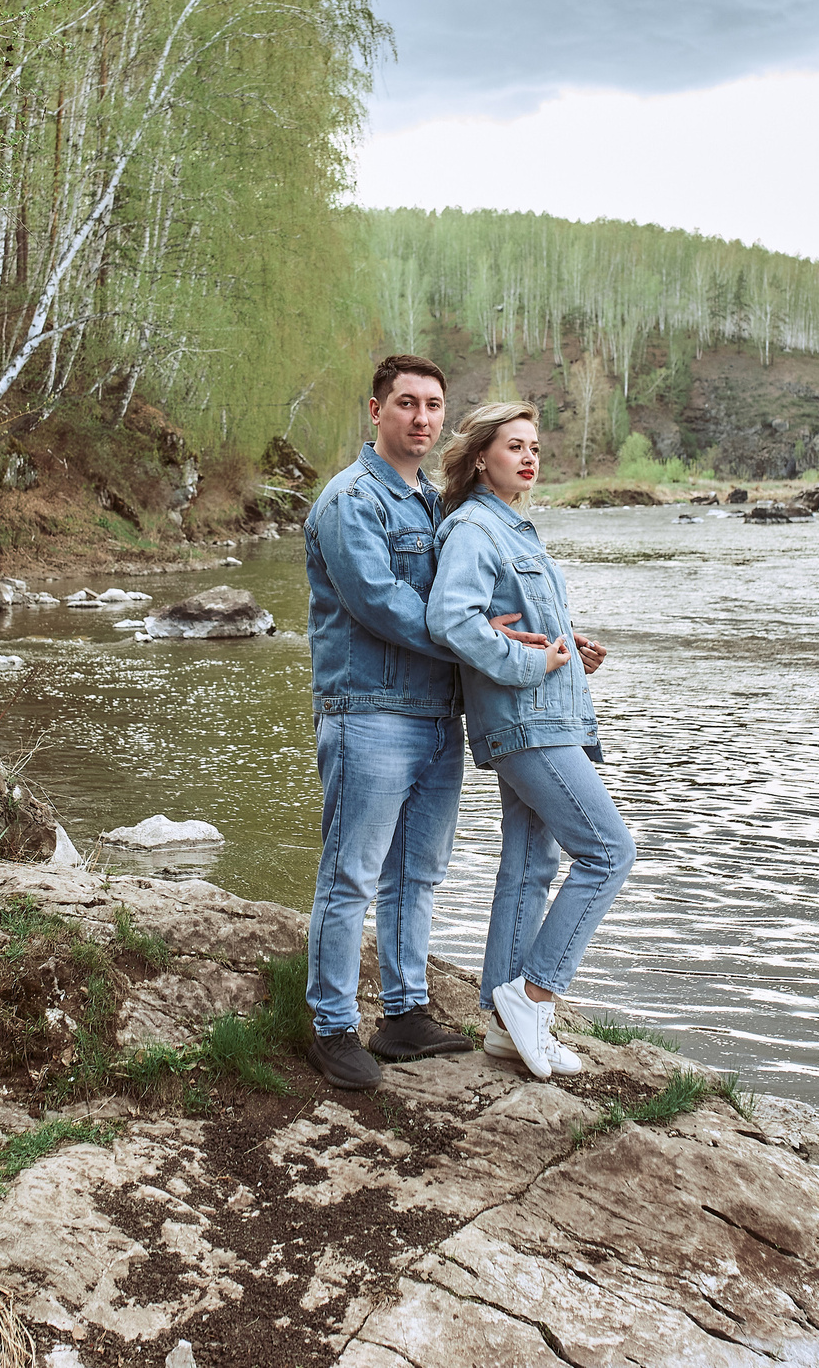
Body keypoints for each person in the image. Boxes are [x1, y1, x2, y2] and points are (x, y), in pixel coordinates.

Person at [301, 355, 548, 1090]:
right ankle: (331, 1023)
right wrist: (473, 636)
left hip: (436, 714)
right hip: (368, 711)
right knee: (350, 873)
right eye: (406, 403)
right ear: (374, 411)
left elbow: (475, 598)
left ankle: (404, 1014)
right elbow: (381, 602)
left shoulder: (434, 506)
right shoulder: (352, 500)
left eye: (433, 405)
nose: (421, 417)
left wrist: (532, 637)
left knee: (418, 874)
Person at [426, 400, 632, 1081]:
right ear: (481, 456)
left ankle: (506, 1029)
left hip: (541, 715)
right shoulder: (476, 529)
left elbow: (515, 621)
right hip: (527, 721)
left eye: (535, 446)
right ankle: (533, 992)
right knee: (608, 851)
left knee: (530, 864)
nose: (529, 457)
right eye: (514, 445)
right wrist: (531, 664)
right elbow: (453, 620)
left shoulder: (512, 527)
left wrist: (571, 646)